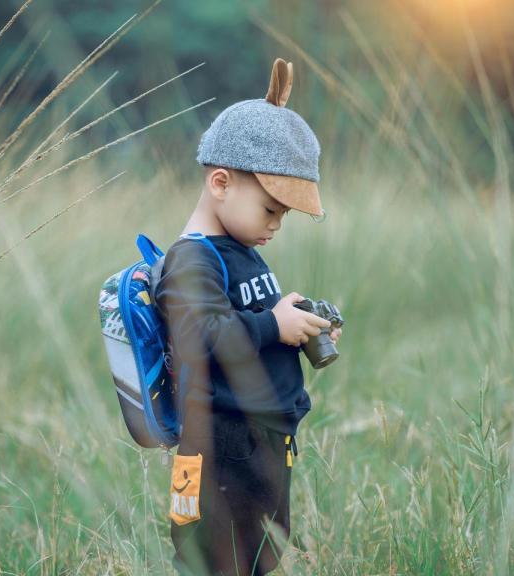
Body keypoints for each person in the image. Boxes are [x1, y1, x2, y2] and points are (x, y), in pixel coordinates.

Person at [152, 58, 342, 576]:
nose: (277, 224)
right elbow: (203, 336)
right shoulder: (191, 259)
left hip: (261, 443)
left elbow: (246, 322)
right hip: (219, 447)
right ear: (220, 182)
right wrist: (272, 325)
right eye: (271, 209)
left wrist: (296, 321)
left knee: (261, 557)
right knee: (217, 562)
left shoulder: (239, 246)